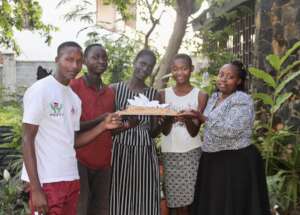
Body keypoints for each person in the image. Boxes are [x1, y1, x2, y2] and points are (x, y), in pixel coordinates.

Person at [21, 41, 121, 215]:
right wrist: (36, 188)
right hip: (47, 181)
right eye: (68, 59)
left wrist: (103, 126)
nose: (74, 65)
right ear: (57, 60)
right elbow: (27, 138)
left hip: (71, 178)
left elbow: (72, 141)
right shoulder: (41, 89)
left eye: (78, 61)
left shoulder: (74, 98)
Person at [184, 61, 270, 215]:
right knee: (215, 205)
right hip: (213, 161)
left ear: (238, 81)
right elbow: (208, 126)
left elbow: (232, 129)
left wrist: (202, 118)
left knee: (233, 205)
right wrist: (188, 117)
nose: (223, 79)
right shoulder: (214, 97)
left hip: (235, 161)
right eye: (221, 74)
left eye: (230, 77)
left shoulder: (242, 100)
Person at [110, 49, 161, 215]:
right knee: (118, 195)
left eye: (150, 66)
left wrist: (165, 120)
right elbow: (108, 125)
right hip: (119, 148)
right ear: (135, 62)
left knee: (144, 195)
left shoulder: (153, 94)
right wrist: (126, 120)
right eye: (142, 63)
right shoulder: (115, 90)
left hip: (144, 151)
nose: (145, 69)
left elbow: (153, 132)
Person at [159, 54, 207, 215]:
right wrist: (169, 118)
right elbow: (164, 131)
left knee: (190, 200)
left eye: (184, 68)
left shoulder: (200, 95)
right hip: (170, 152)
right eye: (175, 69)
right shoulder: (163, 94)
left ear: (191, 69)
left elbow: (194, 132)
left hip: (191, 153)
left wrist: (186, 118)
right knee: (175, 201)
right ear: (171, 71)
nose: (180, 72)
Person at [70, 43, 114, 215]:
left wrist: (125, 125)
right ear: (85, 61)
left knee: (100, 209)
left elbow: (108, 129)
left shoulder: (110, 92)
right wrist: (100, 120)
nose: (101, 61)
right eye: (96, 57)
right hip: (79, 160)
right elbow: (70, 127)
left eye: (104, 58)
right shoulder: (74, 87)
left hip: (104, 162)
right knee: (81, 208)